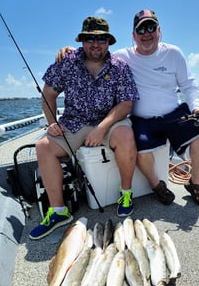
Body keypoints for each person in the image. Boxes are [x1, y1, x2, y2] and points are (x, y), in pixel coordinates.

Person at [57, 9, 199, 209]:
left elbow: (189, 85)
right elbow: (96, 52)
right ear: (133, 35)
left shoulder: (173, 53)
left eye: (151, 27)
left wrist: (197, 108)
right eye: (141, 29)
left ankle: (196, 184)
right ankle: (157, 186)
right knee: (141, 151)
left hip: (175, 115)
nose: (146, 33)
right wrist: (70, 50)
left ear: (159, 30)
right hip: (142, 120)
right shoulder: (122, 57)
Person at [29, 16, 139, 240]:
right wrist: (52, 123)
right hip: (74, 122)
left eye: (100, 39)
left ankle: (125, 194)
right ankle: (59, 211)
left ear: (109, 41)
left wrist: (102, 128)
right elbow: (48, 93)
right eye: (89, 38)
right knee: (43, 147)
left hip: (109, 121)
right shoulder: (66, 61)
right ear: (82, 41)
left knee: (127, 135)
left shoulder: (120, 66)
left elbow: (126, 104)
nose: (95, 44)